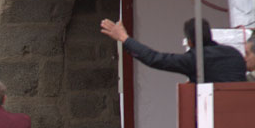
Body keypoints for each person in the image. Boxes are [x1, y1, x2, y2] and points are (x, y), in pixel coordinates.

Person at [100, 17, 247, 83]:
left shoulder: (195, 59)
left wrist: (124, 38)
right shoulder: (234, 54)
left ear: (189, 42)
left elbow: (154, 59)